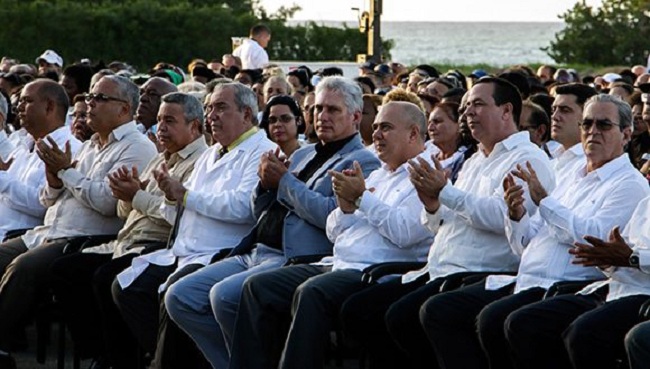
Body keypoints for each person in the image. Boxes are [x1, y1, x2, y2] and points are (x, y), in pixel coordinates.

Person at [420, 93, 650, 369]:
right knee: (444, 311)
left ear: (626, 134)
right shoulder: (569, 174)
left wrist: (545, 203)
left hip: (571, 286)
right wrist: (517, 217)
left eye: (603, 125)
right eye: (587, 124)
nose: (592, 132)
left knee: (509, 322)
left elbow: (593, 240)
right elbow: (527, 243)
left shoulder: (629, 184)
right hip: (529, 280)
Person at [338, 77, 555, 369]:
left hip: (481, 274)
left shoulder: (529, 160)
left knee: (416, 314)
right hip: (441, 269)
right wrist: (431, 205)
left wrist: (445, 192)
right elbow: (442, 222)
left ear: (506, 111)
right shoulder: (476, 160)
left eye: (478, 104)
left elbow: (501, 215)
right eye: (466, 107)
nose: (468, 113)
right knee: (361, 309)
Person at [165, 76, 381, 369]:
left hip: (295, 254)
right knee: (181, 296)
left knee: (224, 296)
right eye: (317, 109)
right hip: (257, 246)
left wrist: (284, 182)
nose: (322, 117)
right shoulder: (304, 153)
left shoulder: (361, 162)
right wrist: (265, 186)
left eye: (332, 110)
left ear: (355, 117)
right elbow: (261, 208)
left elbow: (331, 214)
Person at [228, 100, 432, 369]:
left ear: (413, 134)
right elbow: (335, 232)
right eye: (378, 126)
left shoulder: (425, 176)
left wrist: (362, 199)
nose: (377, 134)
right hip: (337, 263)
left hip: (375, 271)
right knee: (258, 287)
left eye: (387, 127)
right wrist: (346, 209)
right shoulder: (380, 175)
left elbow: (406, 234)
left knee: (311, 293)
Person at [110, 82, 276, 367]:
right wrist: (169, 198)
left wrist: (184, 194)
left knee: (174, 294)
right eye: (210, 107)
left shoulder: (262, 151)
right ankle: (165, 356)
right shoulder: (212, 153)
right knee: (125, 287)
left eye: (221, 108)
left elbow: (242, 207)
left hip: (221, 252)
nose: (212, 115)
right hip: (183, 249)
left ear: (247, 114)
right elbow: (182, 210)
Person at [0, 75, 156, 367]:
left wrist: (66, 173)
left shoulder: (137, 147)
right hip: (48, 230)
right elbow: (49, 199)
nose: (89, 104)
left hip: (82, 238)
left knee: (23, 268)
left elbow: (107, 203)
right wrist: (54, 177)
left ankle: (3, 347)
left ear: (124, 109)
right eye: (90, 96)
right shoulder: (91, 145)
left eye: (99, 98)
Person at [48, 92, 208, 369]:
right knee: (65, 269)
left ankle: (132, 359)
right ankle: (101, 352)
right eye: (159, 121)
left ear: (194, 126)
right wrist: (125, 194)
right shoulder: (159, 160)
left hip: (158, 246)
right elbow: (127, 212)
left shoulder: (201, 162)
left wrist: (137, 196)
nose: (161, 129)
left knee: (107, 278)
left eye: (170, 121)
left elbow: (179, 216)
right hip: (127, 240)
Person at [427, 101, 475, 183]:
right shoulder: (426, 149)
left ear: (458, 125)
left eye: (437, 121)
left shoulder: (468, 158)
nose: (430, 128)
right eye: (429, 123)